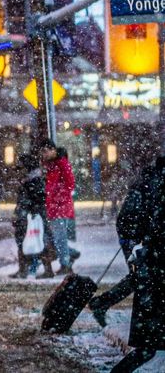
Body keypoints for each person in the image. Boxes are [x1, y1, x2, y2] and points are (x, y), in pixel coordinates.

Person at [105, 152, 165, 373]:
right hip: (154, 277)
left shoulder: (149, 185)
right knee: (147, 346)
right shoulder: (155, 190)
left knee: (147, 347)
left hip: (150, 273)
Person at [11, 151, 53, 278]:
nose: (18, 171)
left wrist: (26, 211)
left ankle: (29, 269)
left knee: (34, 241)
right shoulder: (32, 179)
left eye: (21, 167)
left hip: (31, 216)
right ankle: (27, 268)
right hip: (30, 215)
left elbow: (37, 199)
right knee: (34, 241)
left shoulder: (34, 180)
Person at [43, 143, 78, 274]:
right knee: (57, 239)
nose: (44, 154)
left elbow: (70, 184)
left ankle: (66, 263)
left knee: (59, 239)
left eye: (46, 151)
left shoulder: (61, 165)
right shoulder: (52, 166)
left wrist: (55, 194)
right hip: (55, 208)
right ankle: (69, 256)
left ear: (53, 150)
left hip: (60, 208)